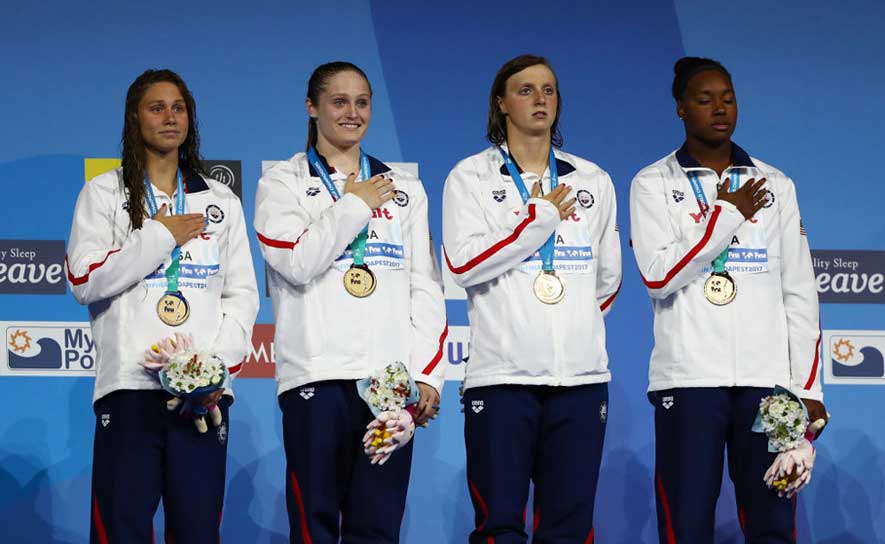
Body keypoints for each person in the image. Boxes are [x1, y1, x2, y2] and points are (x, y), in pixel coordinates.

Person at [629, 56, 827, 543]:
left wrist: (809, 391)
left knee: (773, 526)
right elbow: (658, 276)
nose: (720, 108)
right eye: (704, 99)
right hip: (690, 380)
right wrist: (725, 215)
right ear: (680, 109)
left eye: (728, 97)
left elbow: (800, 293)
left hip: (768, 389)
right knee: (686, 524)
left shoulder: (776, 185)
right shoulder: (652, 184)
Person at [253, 61, 447, 544]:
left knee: (378, 528)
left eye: (362, 102)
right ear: (312, 107)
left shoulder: (405, 189)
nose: (352, 113)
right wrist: (356, 203)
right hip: (315, 378)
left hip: (387, 387)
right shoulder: (282, 183)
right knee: (314, 526)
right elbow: (296, 261)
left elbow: (424, 287)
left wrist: (426, 375)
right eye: (339, 102)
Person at [66, 68, 259, 543]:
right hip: (130, 388)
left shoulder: (220, 201)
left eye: (179, 107)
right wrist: (157, 236)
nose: (170, 117)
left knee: (197, 531)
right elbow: (84, 278)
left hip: (202, 398)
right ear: (134, 118)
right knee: (122, 528)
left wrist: (214, 369)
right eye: (157, 107)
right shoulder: (104, 193)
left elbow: (242, 294)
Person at [443, 54, 621, 543]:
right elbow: (463, 265)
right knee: (500, 527)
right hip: (503, 380)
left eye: (549, 89)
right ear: (500, 103)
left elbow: (605, 281)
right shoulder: (470, 178)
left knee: (569, 529)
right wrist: (536, 223)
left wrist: (566, 322)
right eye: (525, 90)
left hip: (581, 381)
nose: (540, 99)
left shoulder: (593, 180)